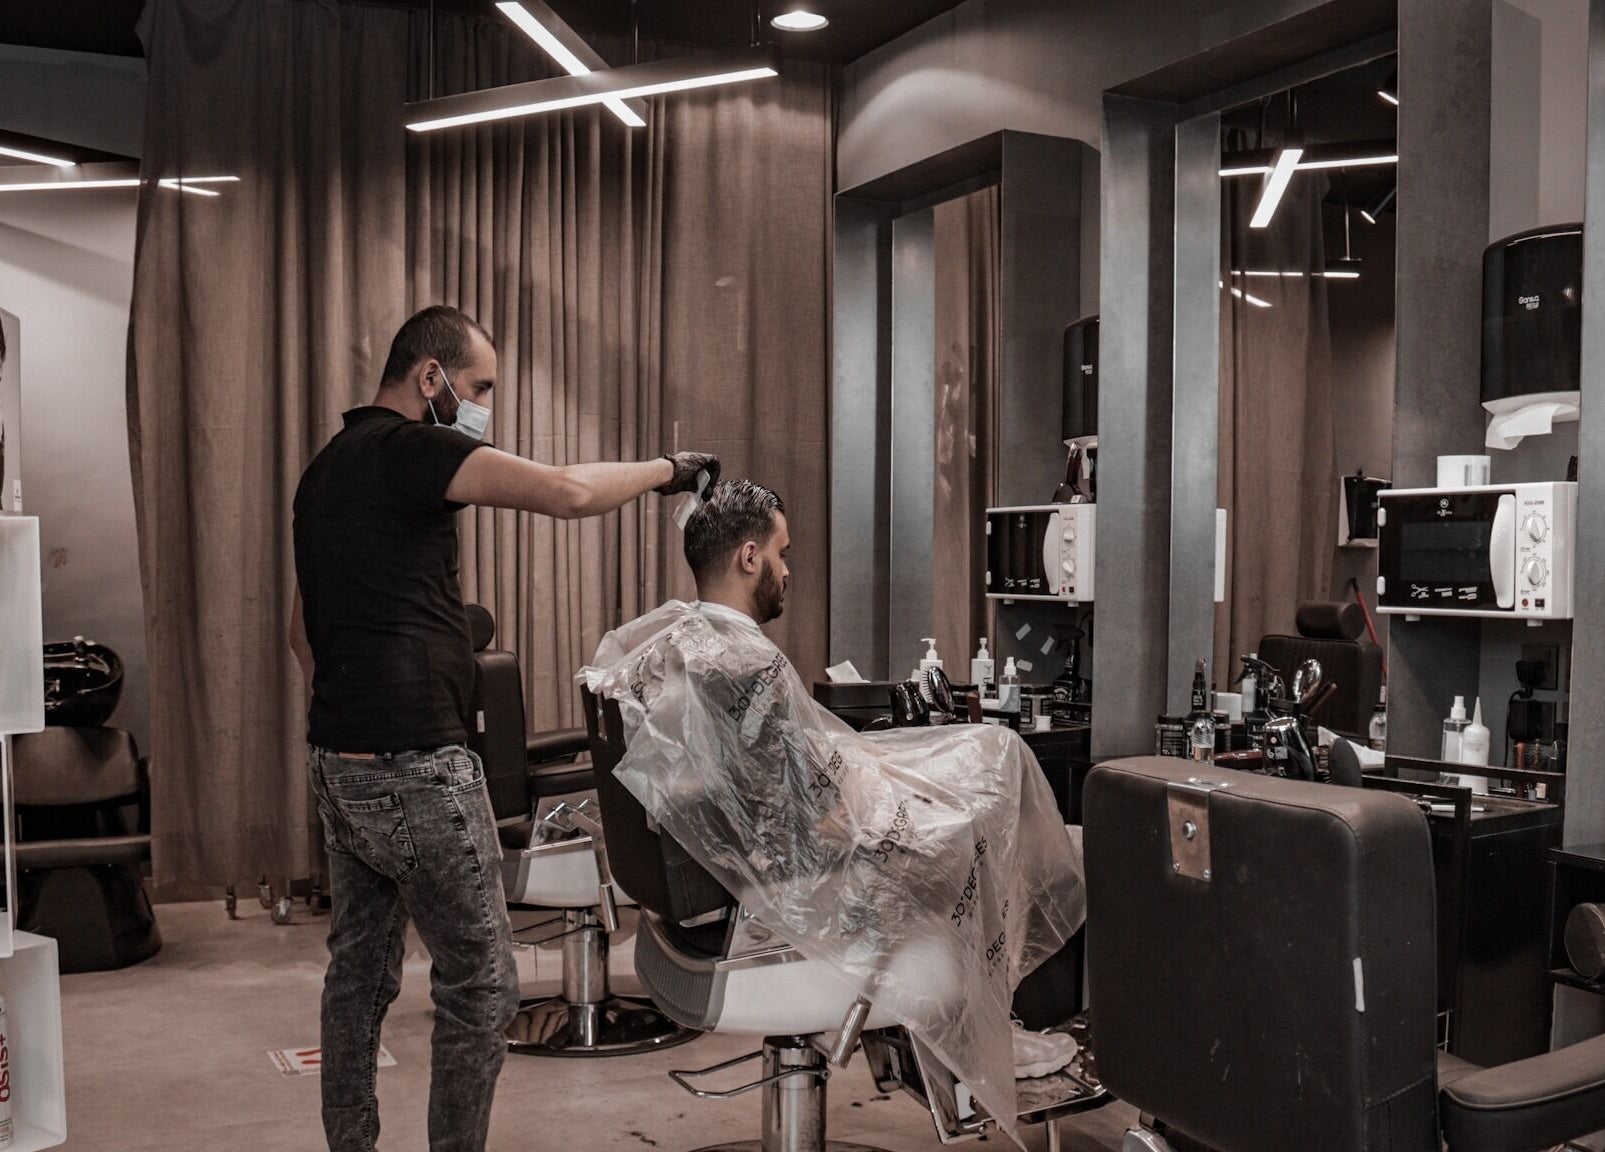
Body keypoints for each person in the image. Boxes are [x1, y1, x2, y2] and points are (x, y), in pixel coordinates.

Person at [289, 304, 717, 1152]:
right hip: (417, 765)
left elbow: (301, 631)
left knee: (357, 982)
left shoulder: (325, 469)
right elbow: (562, 493)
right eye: (477, 387)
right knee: (480, 986)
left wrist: (355, 717)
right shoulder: (412, 448)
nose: (482, 404)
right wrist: (669, 469)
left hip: (339, 759)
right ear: (429, 377)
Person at [584, 480, 1085, 1143]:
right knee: (984, 831)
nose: (788, 571)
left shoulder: (677, 642)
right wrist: (907, 820)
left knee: (976, 773)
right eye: (783, 554)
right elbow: (807, 821)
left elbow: (758, 792)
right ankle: (994, 1036)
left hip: (693, 906)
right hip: (762, 905)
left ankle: (986, 1031)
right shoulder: (742, 664)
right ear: (749, 555)